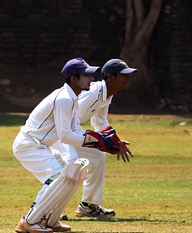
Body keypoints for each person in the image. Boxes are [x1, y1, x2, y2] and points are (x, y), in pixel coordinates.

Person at [12, 57, 121, 233]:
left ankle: (50, 219)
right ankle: (29, 221)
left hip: (40, 145)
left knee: (72, 175)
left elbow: (73, 130)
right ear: (73, 79)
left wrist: (97, 139)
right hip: (29, 144)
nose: (91, 79)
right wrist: (96, 140)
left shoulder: (74, 98)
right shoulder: (63, 99)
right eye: (86, 75)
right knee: (57, 176)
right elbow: (65, 135)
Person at [55, 58, 138, 219]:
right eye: (124, 75)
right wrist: (97, 140)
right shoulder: (93, 93)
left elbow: (99, 121)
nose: (128, 78)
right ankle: (51, 209)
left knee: (98, 156)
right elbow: (72, 119)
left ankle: (89, 205)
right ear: (111, 77)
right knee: (66, 166)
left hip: (73, 132)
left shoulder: (106, 95)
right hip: (60, 133)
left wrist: (114, 141)